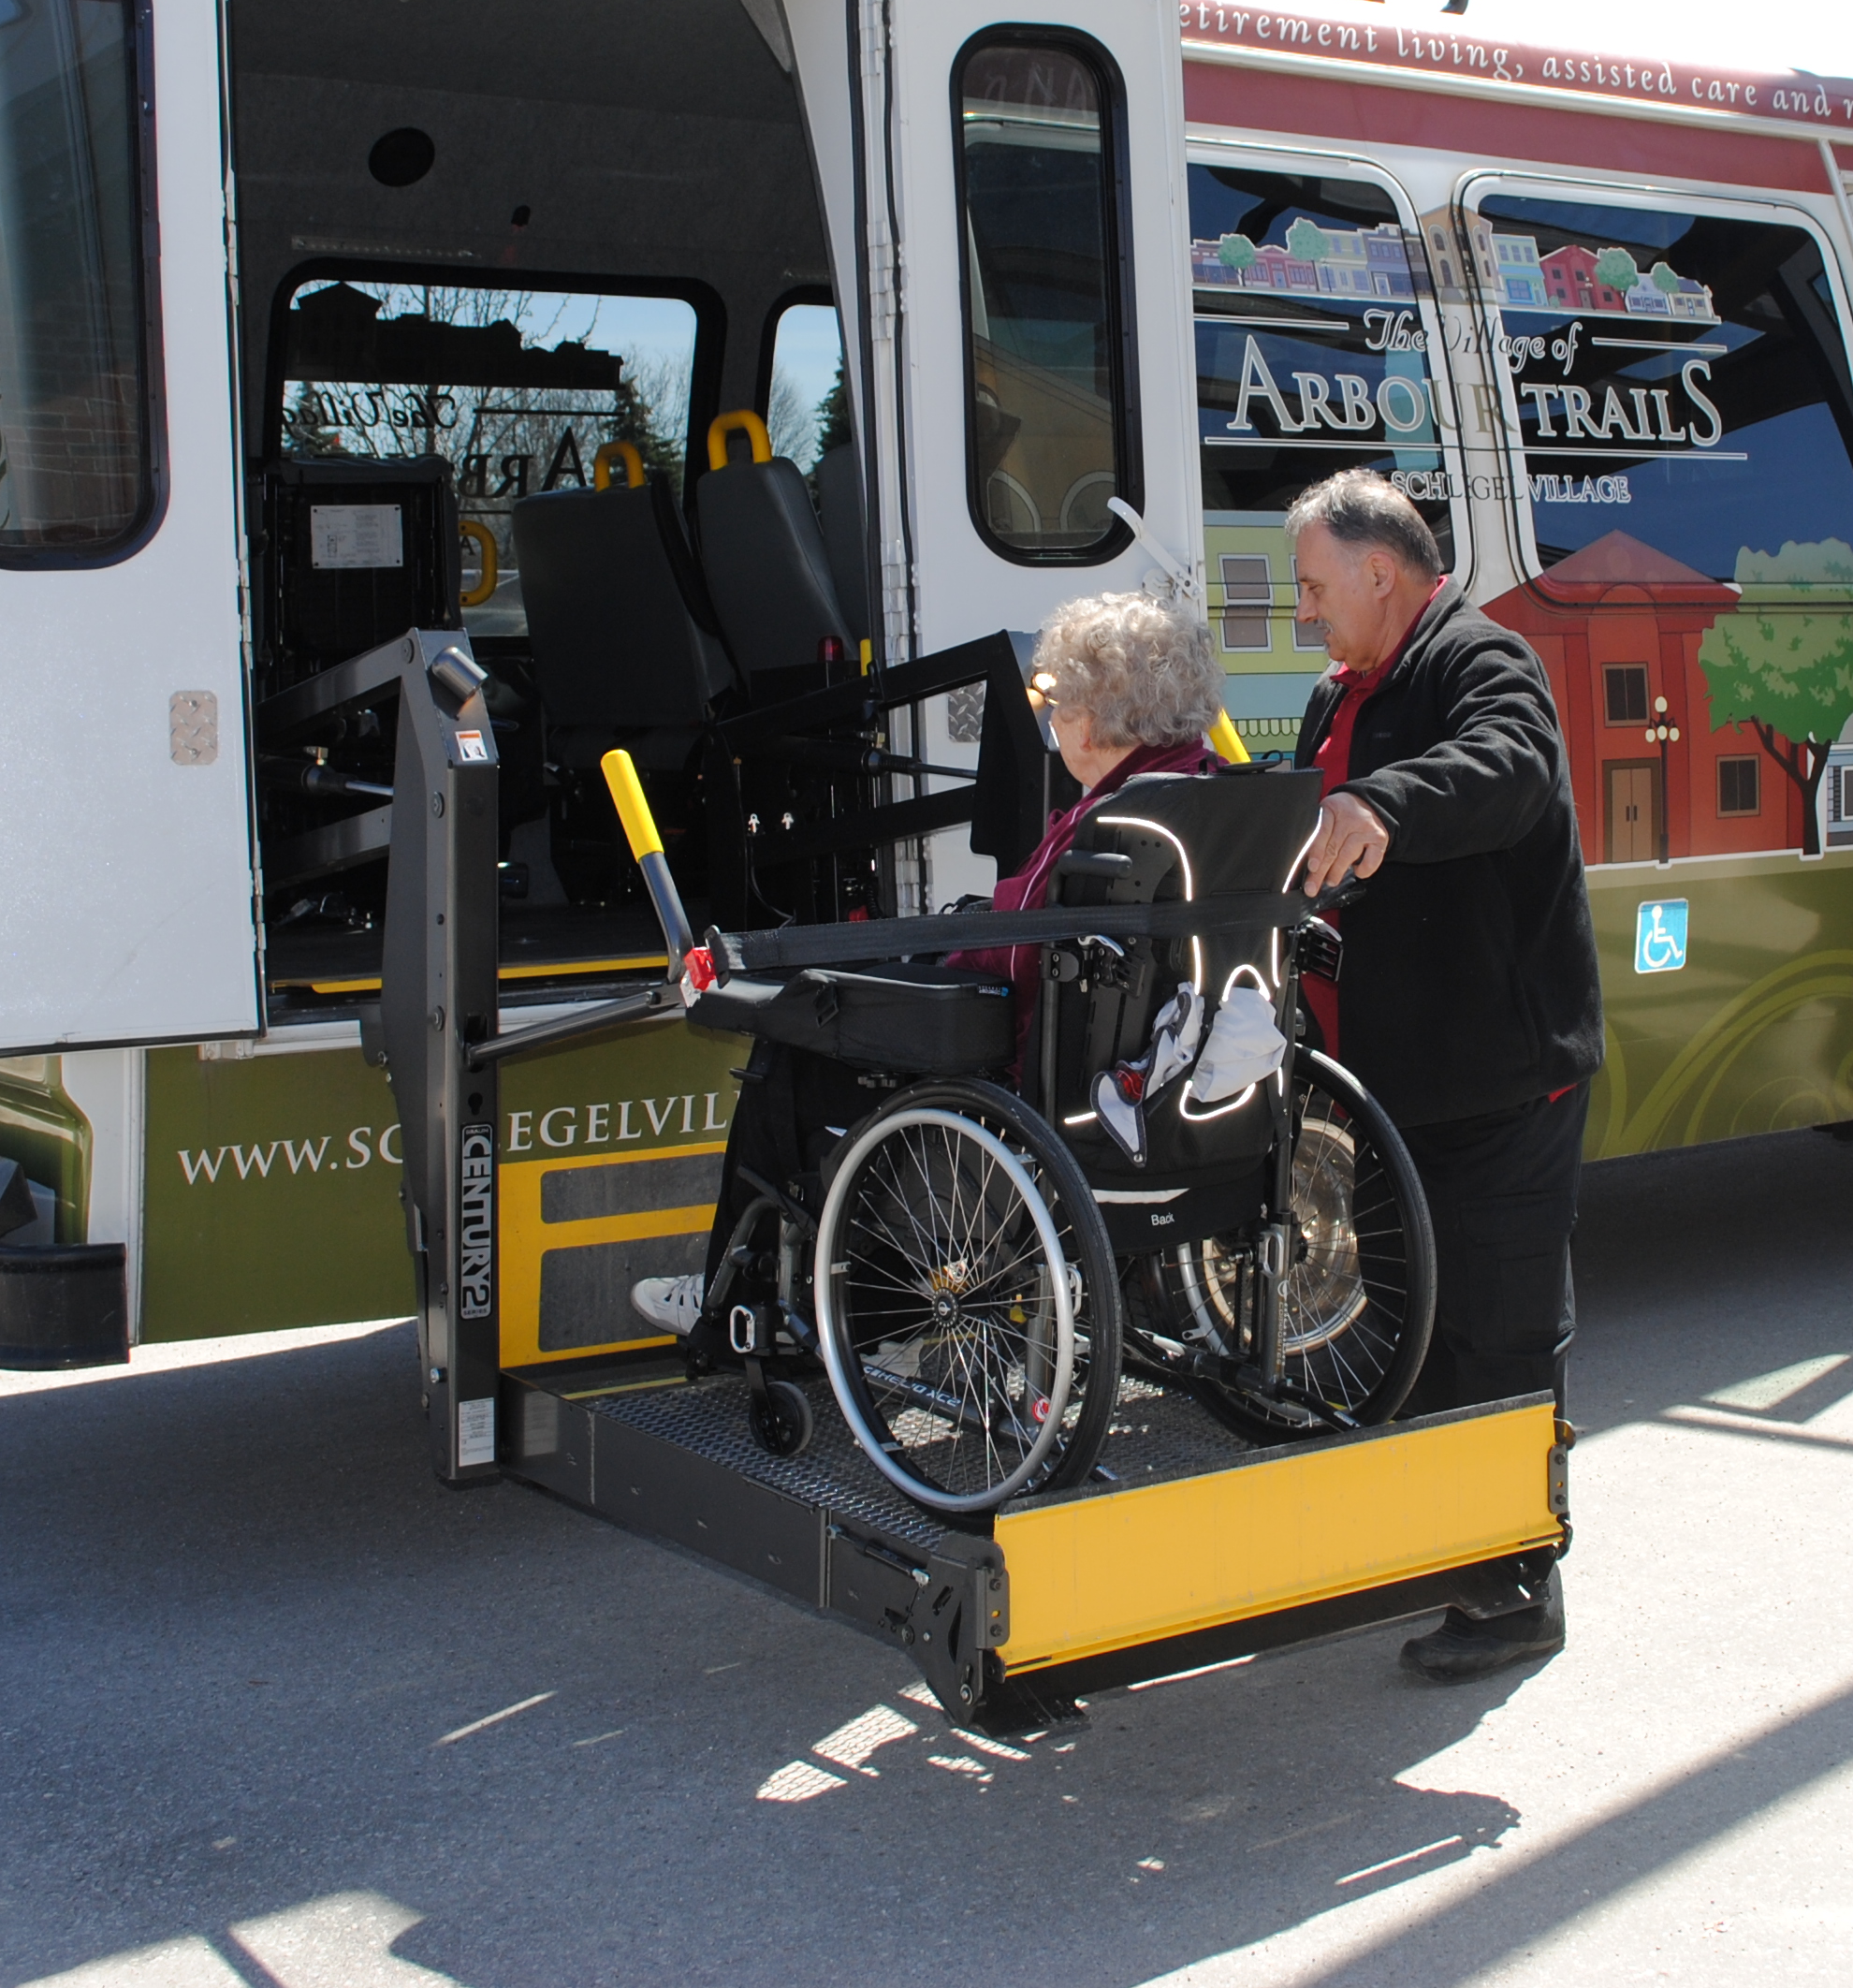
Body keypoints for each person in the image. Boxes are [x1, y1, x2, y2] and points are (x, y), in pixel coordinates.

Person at [626, 590, 1220, 1338]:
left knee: (789, 1061)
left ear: (1099, 716)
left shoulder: (1105, 825)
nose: (1050, 718)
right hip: (1180, 1092)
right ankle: (858, 1312)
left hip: (1045, 1090)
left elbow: (1009, 956)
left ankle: (744, 1300)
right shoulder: (1210, 789)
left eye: (1059, 702)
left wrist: (932, 956)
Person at [1286, 469, 1600, 1682]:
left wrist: (1385, 803)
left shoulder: (1483, 661)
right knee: (1419, 1328)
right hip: (1393, 1082)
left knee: (1498, 1334)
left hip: (1499, 1078)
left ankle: (1518, 1589)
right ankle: (1448, 1552)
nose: (1308, 611)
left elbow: (1511, 768)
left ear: (1383, 573)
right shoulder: (1338, 695)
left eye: (1317, 587)